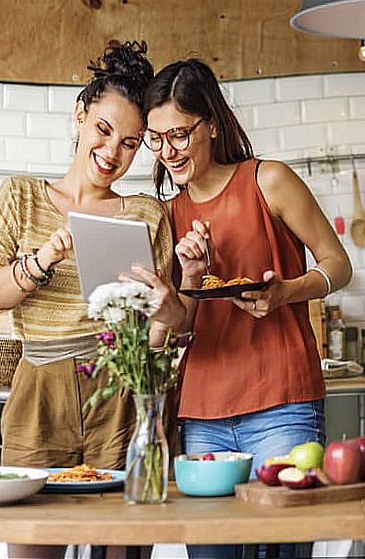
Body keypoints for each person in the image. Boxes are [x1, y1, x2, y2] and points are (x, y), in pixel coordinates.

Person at [0, 41, 184, 559]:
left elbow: (160, 333)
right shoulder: (21, 196)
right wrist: (42, 257)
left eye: (132, 144)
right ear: (80, 114)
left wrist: (166, 310)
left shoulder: (148, 214)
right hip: (39, 394)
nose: (113, 153)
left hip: (119, 396)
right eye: (104, 130)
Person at [143, 57, 353, 471]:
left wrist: (286, 292)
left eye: (180, 135)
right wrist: (191, 277)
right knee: (210, 538)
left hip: (282, 402)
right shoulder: (166, 216)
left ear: (212, 125)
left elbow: (338, 265)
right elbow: (180, 327)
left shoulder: (268, 180)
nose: (168, 151)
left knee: (282, 534)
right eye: (156, 138)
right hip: (202, 411)